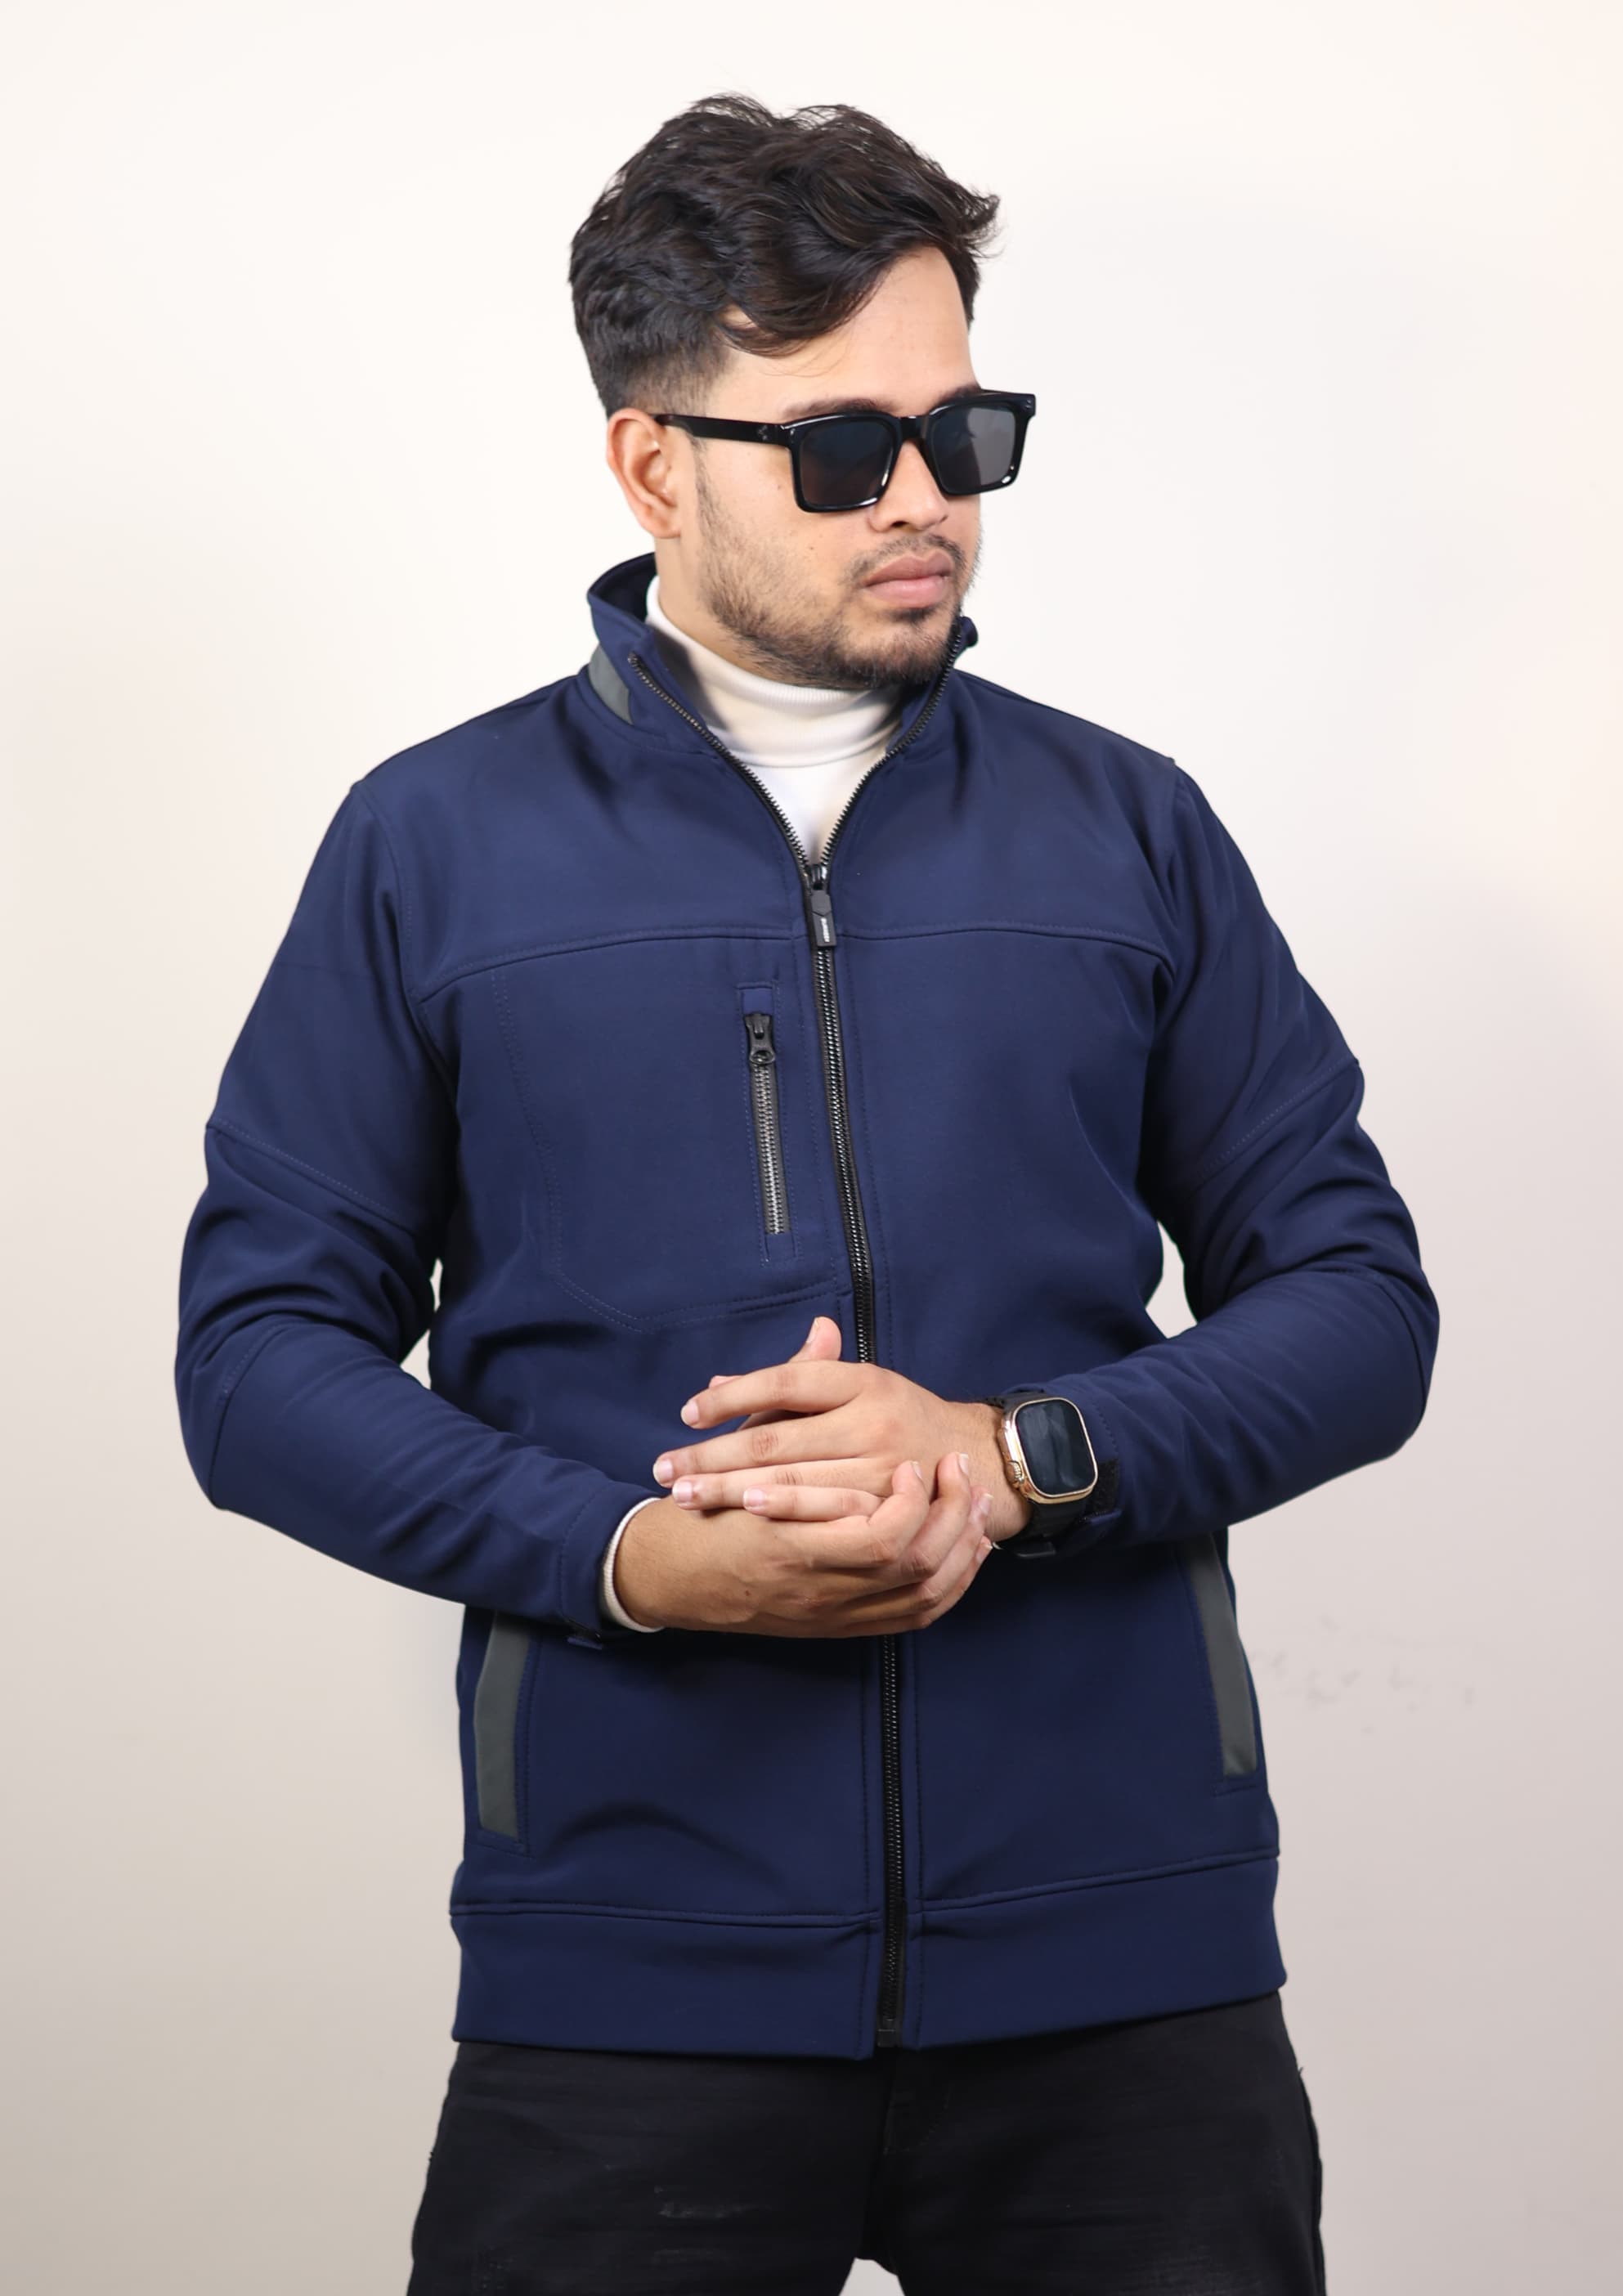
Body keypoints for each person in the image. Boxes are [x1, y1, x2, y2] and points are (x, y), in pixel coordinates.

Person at [174, 92, 1437, 2294]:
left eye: (967, 432)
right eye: (844, 448)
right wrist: (629, 1560)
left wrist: (1021, 1459)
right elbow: (259, 1361)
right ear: (650, 462)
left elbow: (1356, 1298)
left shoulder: (1128, 830)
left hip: (1123, 1986)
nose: (927, 497)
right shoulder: (431, 846)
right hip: (628, 1980)